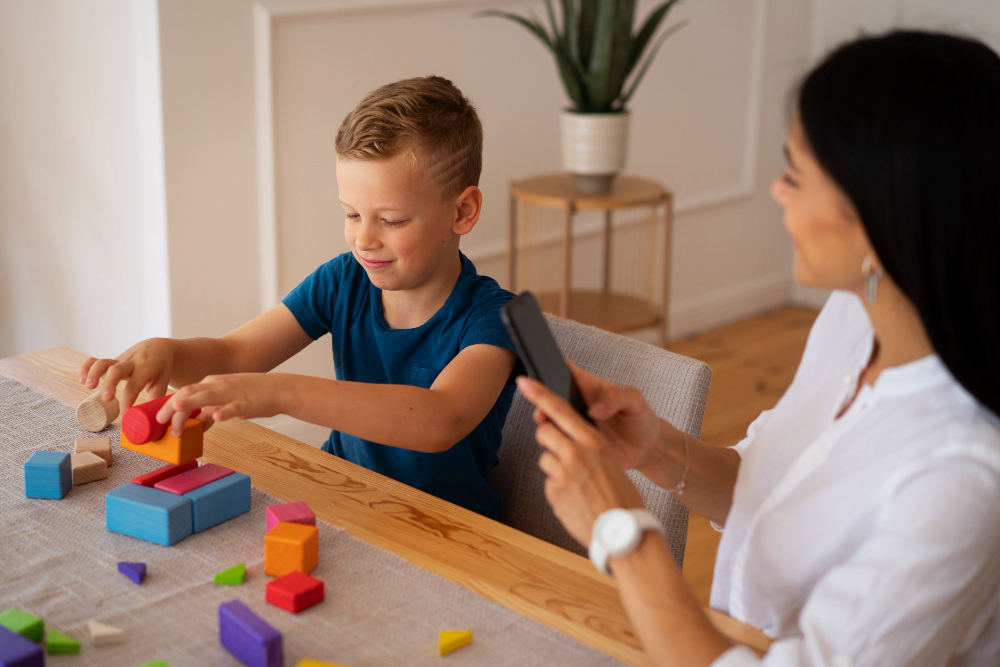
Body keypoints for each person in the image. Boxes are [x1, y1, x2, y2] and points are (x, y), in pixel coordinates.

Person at [516, 30, 1000, 666]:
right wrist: (656, 448)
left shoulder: (963, 480)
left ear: (884, 217)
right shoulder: (854, 317)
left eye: (796, 176)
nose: (775, 190)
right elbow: (773, 489)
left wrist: (622, 531)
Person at [79, 76, 519, 519]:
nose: (362, 239)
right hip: (346, 499)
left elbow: (440, 419)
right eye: (351, 214)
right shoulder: (343, 280)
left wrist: (282, 393)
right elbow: (233, 355)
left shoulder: (497, 317)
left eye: (391, 220)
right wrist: (167, 354)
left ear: (462, 212)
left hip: (451, 530)